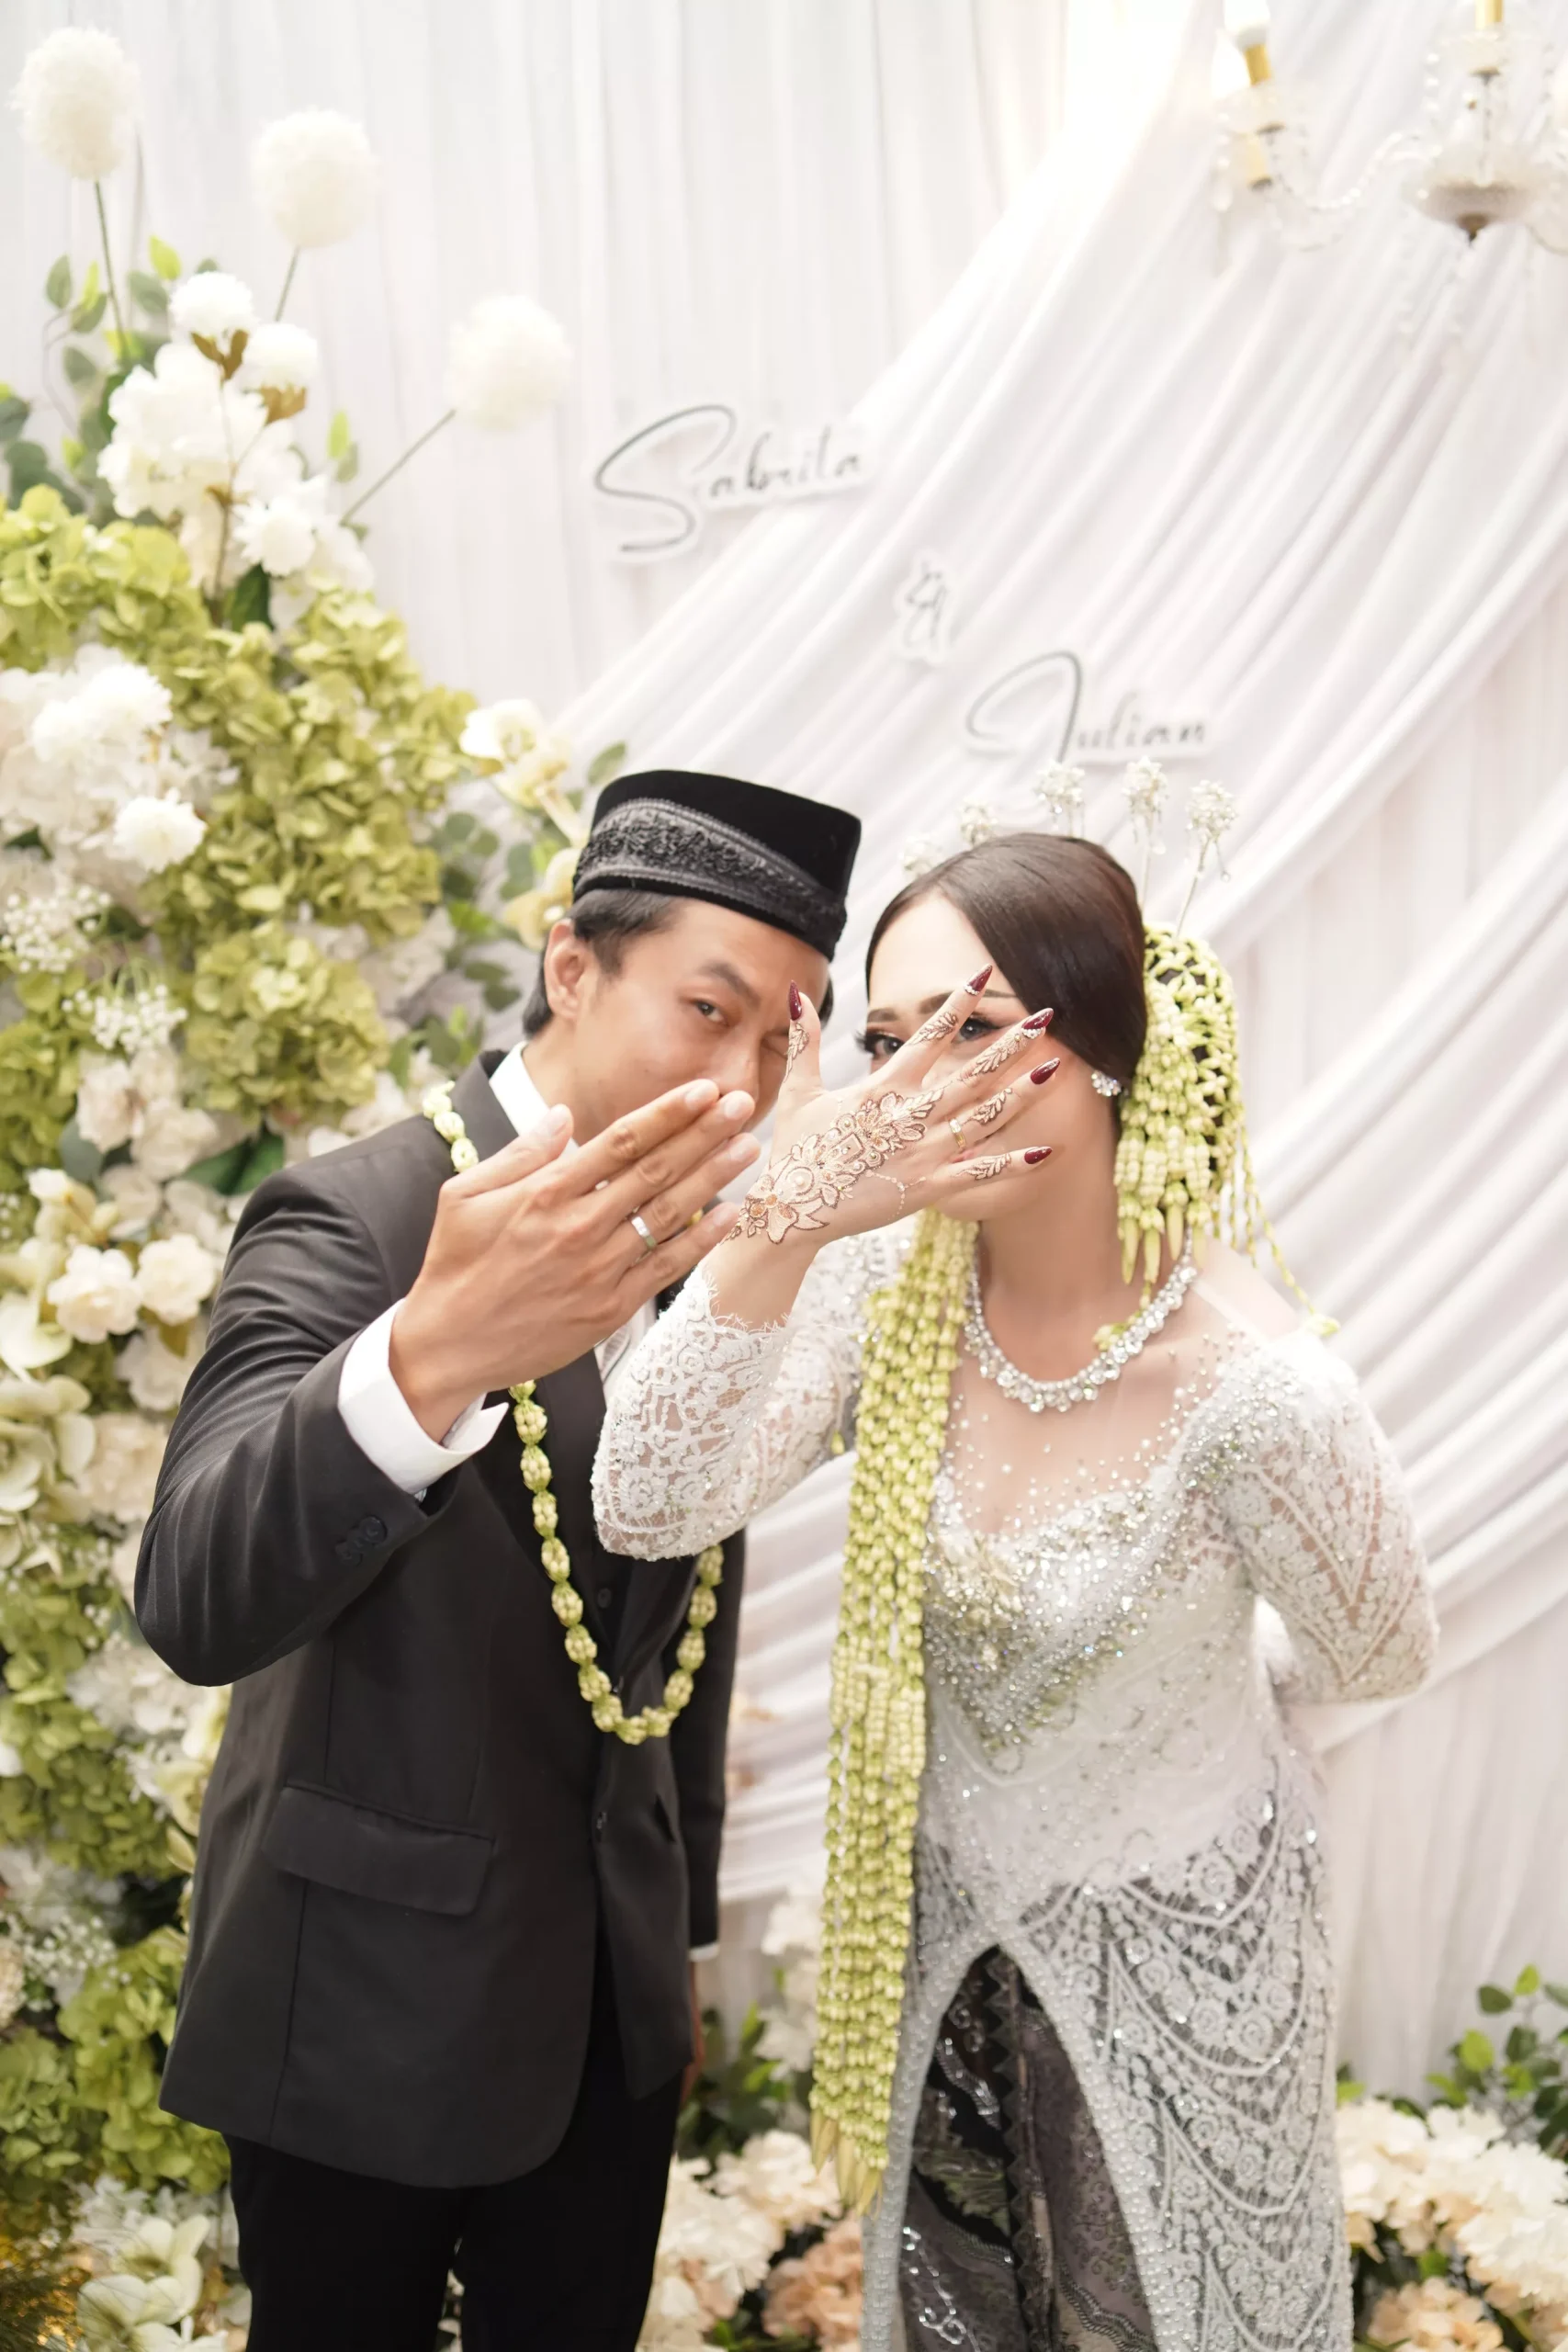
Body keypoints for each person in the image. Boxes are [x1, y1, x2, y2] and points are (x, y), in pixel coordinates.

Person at [592, 831, 1437, 2352]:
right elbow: (645, 1501)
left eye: (976, 1029)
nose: (924, 1088)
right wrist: (786, 1216)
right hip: (940, 1960)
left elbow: (1372, 1651)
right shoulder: (890, 1285)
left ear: (1106, 1048)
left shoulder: (1259, 1392)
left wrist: (1178, 1705)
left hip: (1188, 1957)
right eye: (888, 1044)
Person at [134, 772, 864, 2352]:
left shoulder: (719, 1247)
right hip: (360, 2000)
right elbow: (193, 1594)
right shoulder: (357, 1215)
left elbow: (684, 1610)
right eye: (708, 1011)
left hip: (608, 2020)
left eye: (783, 1038)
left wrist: (672, 1944)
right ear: (572, 967)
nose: (740, 1085)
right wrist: (433, 1352)